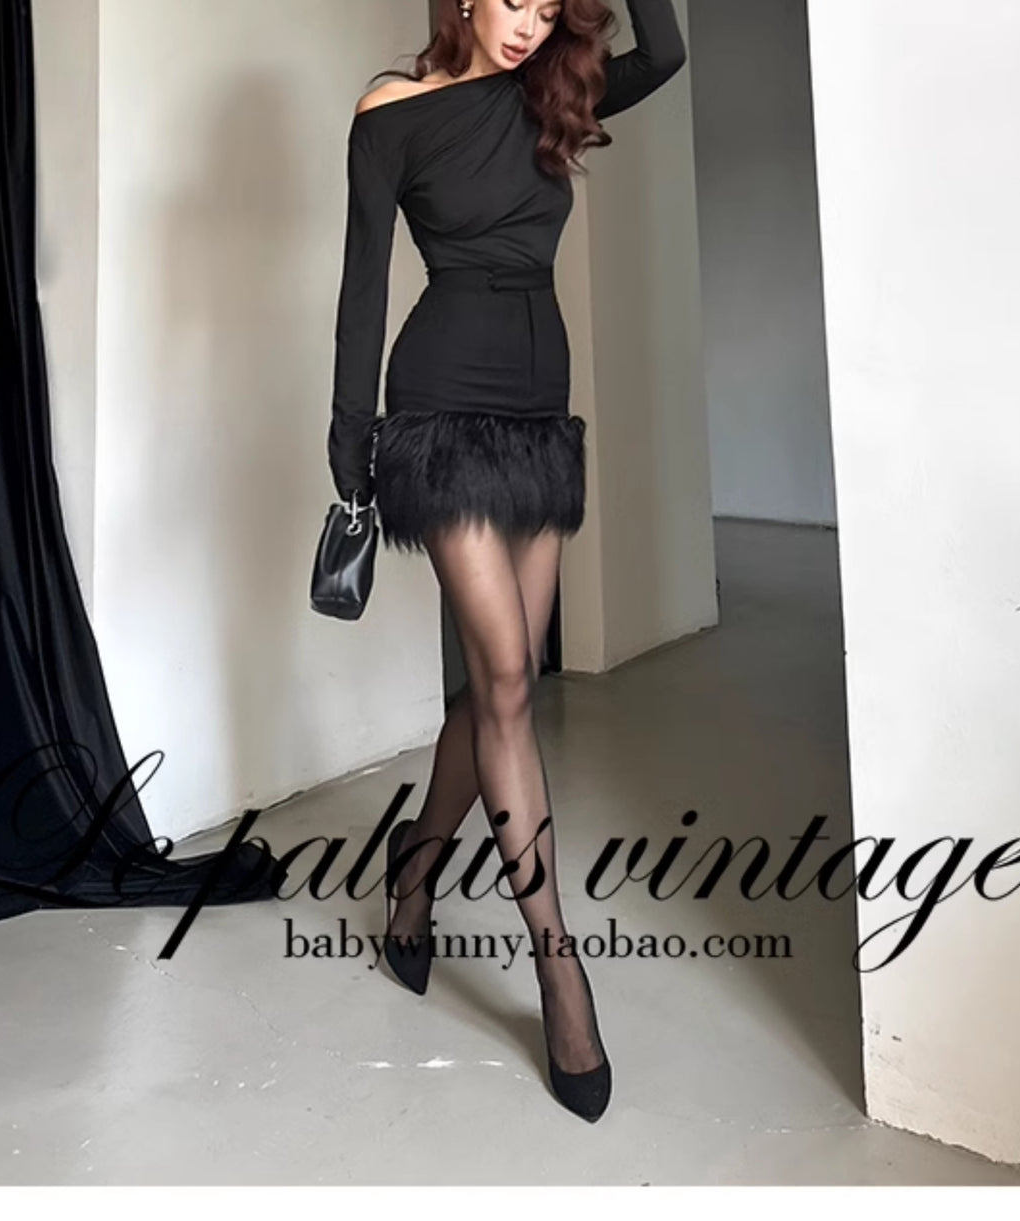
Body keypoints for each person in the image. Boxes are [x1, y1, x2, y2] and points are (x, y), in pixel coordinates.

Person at [326, 0, 685, 1122]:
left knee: (503, 684)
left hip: (537, 402)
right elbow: (362, 282)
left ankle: (414, 873)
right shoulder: (392, 110)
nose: (528, 22)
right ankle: (557, 969)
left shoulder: (549, 93)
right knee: (508, 686)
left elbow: (666, 52)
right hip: (438, 401)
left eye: (546, 3)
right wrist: (351, 444)